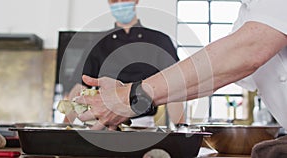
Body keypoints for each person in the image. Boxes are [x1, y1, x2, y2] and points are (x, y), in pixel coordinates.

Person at [75, 0, 287, 131]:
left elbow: (245, 51)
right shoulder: (246, 16)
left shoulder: (158, 40)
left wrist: (131, 96)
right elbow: (209, 78)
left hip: (146, 124)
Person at [65, 0, 185, 127]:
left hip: (144, 127)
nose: (120, 3)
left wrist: (181, 126)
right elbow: (81, 86)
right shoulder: (97, 43)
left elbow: (173, 88)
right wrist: (65, 126)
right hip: (105, 125)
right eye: (115, 0)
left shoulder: (160, 41)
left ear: (136, 0)